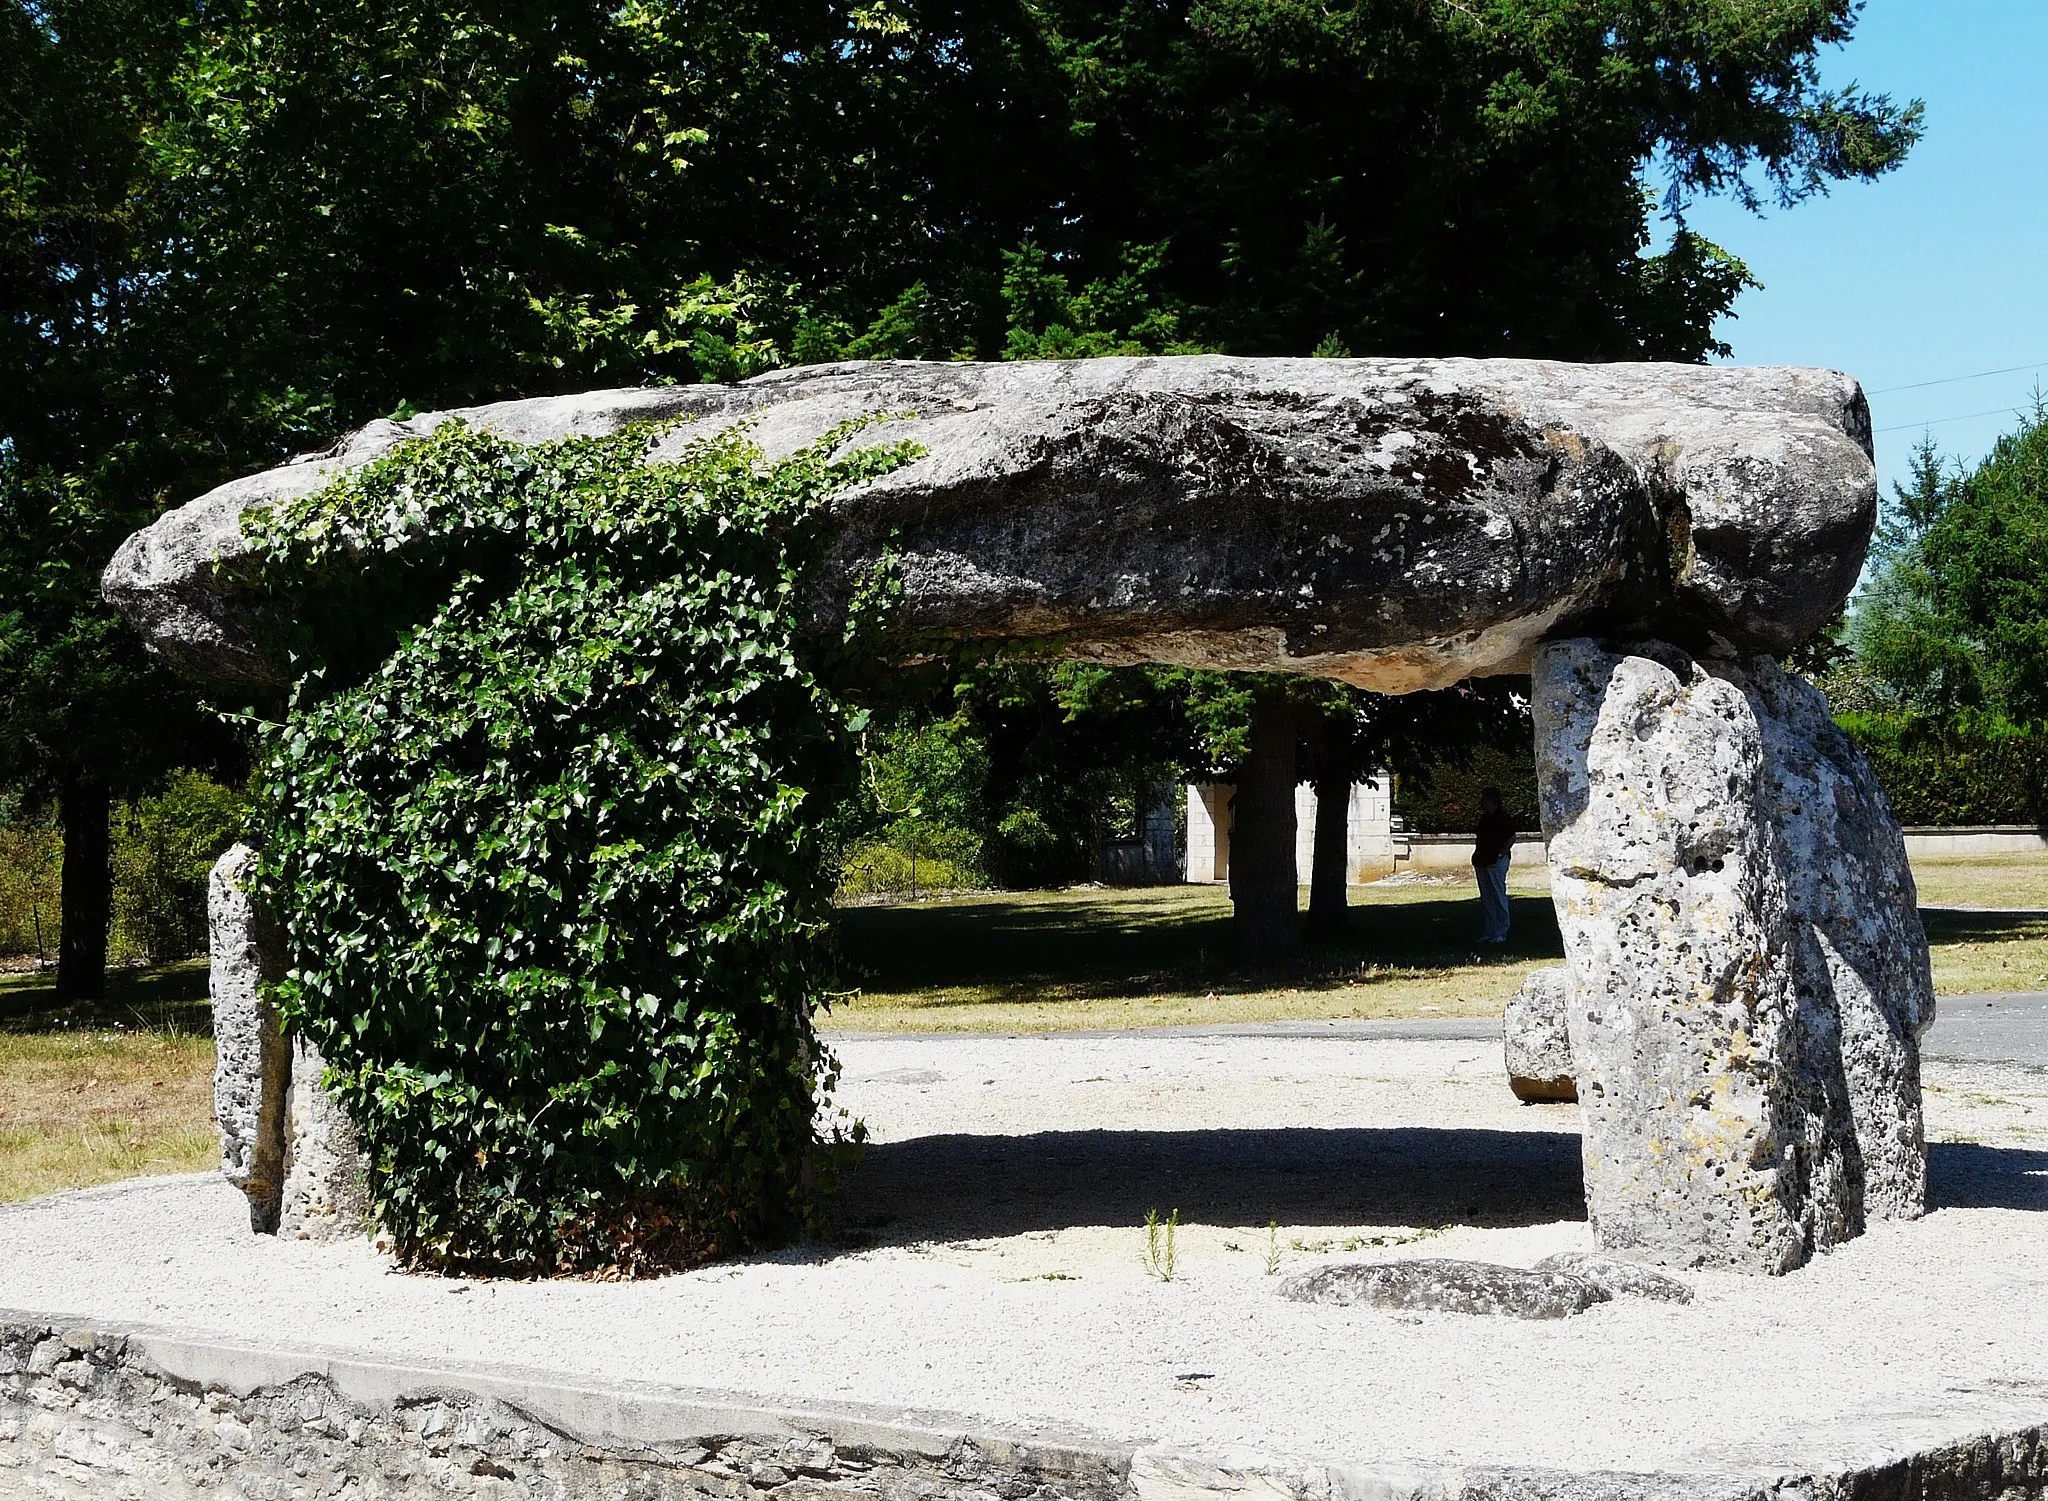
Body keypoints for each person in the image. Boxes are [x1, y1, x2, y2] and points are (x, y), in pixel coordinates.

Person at [1472, 787, 1515, 944]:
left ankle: (1501, 932)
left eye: (1484, 798)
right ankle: (1490, 931)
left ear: (1492, 800)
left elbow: (1511, 838)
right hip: (1482, 860)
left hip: (1495, 861)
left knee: (1498, 895)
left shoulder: (1502, 817)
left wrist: (1500, 855)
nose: (1482, 802)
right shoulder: (1485, 818)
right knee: (1487, 897)